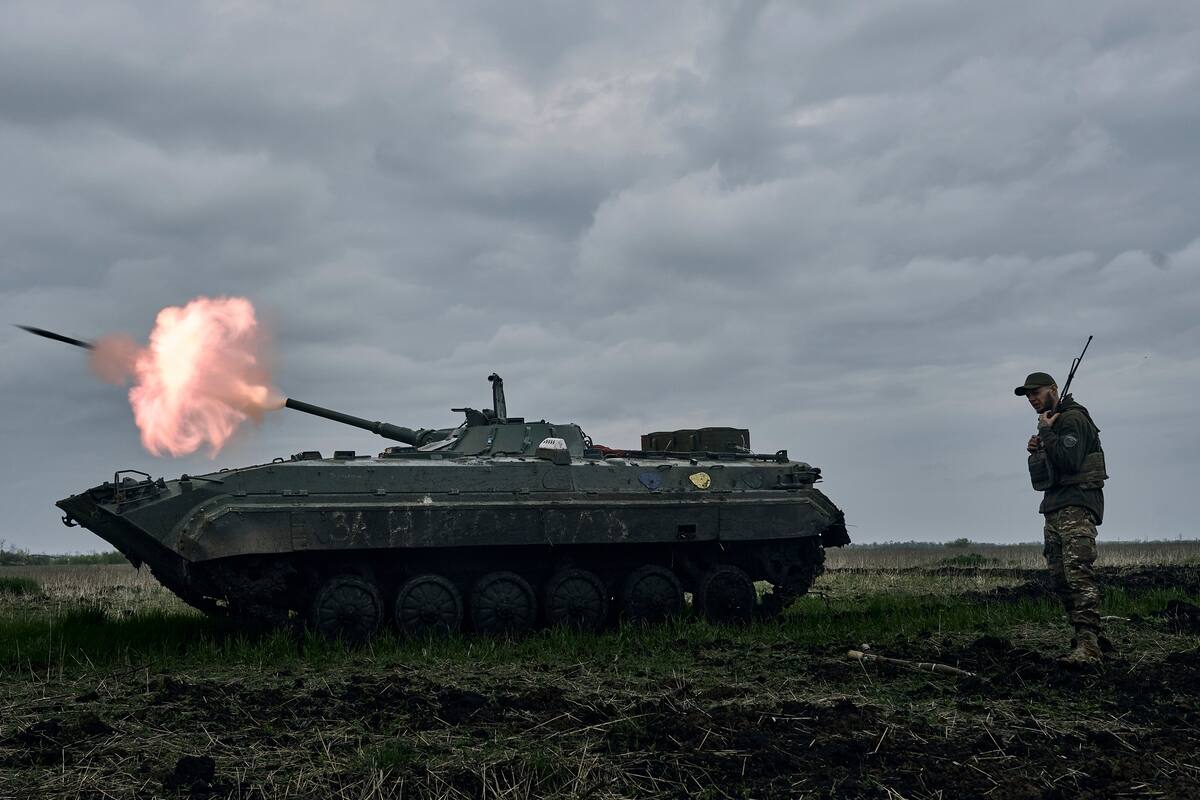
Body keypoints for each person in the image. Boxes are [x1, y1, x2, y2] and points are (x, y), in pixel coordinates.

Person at [1016, 371, 1109, 666]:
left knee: (1077, 572)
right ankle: (1085, 636)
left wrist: (1046, 433)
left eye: (1037, 392)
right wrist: (1038, 448)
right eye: (1028, 395)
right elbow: (1047, 472)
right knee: (1060, 575)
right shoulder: (1053, 422)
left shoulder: (1072, 419)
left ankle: (1089, 643)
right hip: (1055, 506)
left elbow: (1069, 461)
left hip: (1077, 504)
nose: (1032, 398)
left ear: (1054, 390)